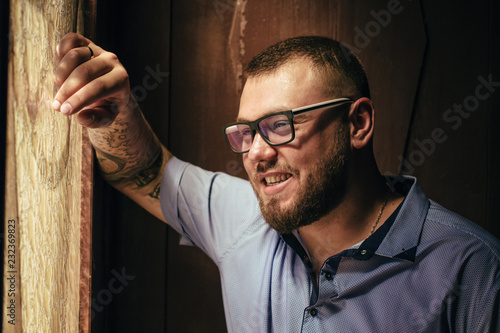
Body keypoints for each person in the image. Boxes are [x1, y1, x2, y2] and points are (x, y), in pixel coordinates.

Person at [53, 33, 499, 332]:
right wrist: (113, 112)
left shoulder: (472, 272)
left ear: (358, 123)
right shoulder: (243, 220)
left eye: (282, 125)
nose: (258, 152)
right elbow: (143, 172)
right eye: (246, 133)